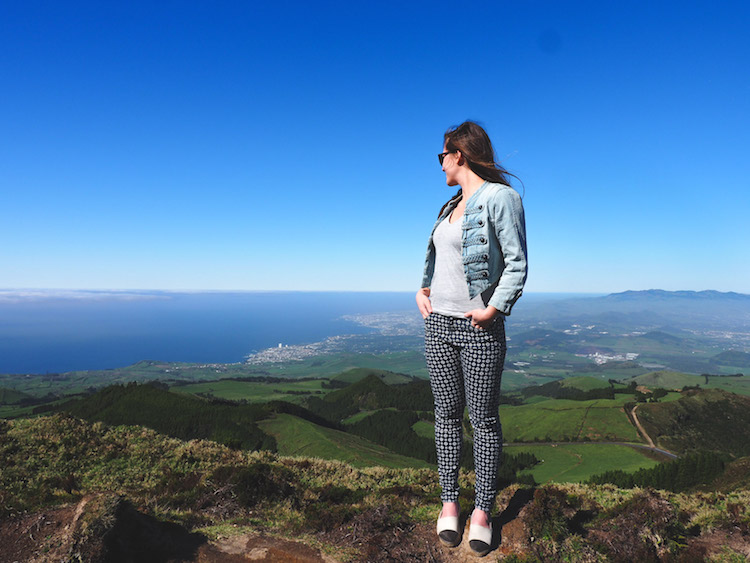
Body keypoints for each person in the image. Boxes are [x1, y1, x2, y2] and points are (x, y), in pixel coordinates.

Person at [416, 121, 527, 556]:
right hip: (438, 326)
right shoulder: (448, 206)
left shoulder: (500, 199)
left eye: (441, 155)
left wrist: (493, 309)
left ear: (458, 154)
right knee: (445, 415)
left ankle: (482, 511)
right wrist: (421, 289)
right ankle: (449, 502)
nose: (439, 164)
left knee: (482, 420)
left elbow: (516, 263)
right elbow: (438, 261)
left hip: (479, 327)